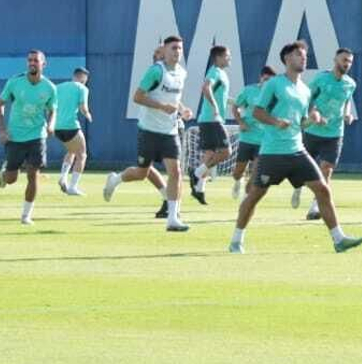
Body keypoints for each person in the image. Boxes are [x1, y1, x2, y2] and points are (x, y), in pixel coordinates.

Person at [230, 40, 362, 254]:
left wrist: (312, 119)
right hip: (273, 152)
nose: (303, 58)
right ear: (287, 59)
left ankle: (339, 239)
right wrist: (276, 122)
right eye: (298, 55)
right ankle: (236, 240)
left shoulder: (304, 89)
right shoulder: (274, 84)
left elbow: (301, 122)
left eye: (304, 55)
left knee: (322, 189)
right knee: (255, 195)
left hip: (297, 150)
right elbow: (257, 112)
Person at [103, 34, 192, 232]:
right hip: (149, 131)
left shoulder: (182, 73)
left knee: (176, 172)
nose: (177, 52)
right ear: (165, 51)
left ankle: (172, 218)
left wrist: (182, 110)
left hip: (169, 131)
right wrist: (162, 106)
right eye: (173, 48)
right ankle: (115, 179)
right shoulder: (155, 71)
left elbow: (175, 99)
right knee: (142, 173)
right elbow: (137, 97)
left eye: (180, 48)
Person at [0, 49, 58, 225]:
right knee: (11, 179)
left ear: (43, 64)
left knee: (33, 174)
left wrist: (51, 124)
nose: (32, 63)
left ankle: (26, 215)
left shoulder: (50, 88)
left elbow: (53, 109)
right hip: (15, 136)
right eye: (29, 60)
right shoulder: (15, 82)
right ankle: (5, 172)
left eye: (35, 61)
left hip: (37, 136)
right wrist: (2, 130)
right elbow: (0, 104)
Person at [297, 47, 358, 220]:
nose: (347, 64)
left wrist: (348, 113)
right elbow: (308, 99)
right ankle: (298, 186)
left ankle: (315, 205)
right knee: (303, 167)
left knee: (327, 169)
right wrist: (313, 113)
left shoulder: (350, 83)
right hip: (313, 130)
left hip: (335, 132)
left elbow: (346, 101)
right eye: (344, 60)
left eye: (350, 61)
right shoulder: (321, 79)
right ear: (335, 60)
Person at [190, 45, 233, 205]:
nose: (230, 59)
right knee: (226, 152)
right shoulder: (214, 71)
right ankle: (196, 173)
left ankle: (199, 189)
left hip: (208, 119)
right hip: (212, 120)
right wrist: (215, 107)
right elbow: (205, 88)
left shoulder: (221, 74)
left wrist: (236, 103)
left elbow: (220, 96)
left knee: (209, 156)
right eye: (227, 56)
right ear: (218, 58)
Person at [229, 66, 277, 201]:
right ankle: (238, 181)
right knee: (237, 173)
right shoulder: (249, 90)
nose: (267, 83)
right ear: (260, 78)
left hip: (264, 141)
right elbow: (235, 106)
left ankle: (245, 200)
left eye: (270, 81)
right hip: (247, 137)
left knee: (256, 173)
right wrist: (241, 122)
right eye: (265, 79)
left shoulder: (276, 95)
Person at [54, 67, 93, 196]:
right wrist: (88, 115)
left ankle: (63, 177)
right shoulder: (82, 88)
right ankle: (73, 187)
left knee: (71, 151)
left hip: (57, 128)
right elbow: (83, 108)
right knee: (82, 155)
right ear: (83, 78)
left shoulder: (58, 87)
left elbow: (50, 106)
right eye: (85, 79)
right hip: (71, 126)